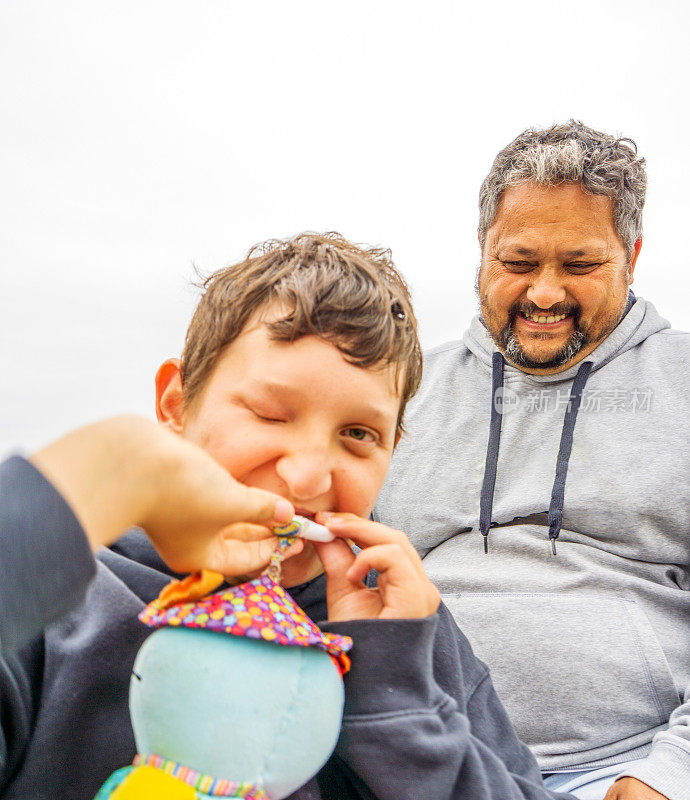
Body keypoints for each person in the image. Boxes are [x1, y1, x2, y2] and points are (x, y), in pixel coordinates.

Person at [0, 233, 571, 800]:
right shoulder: (63, 603)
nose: (308, 478)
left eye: (358, 435)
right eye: (271, 414)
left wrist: (398, 696)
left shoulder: (408, 633)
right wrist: (111, 472)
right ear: (175, 406)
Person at [374, 122, 690, 800]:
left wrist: (667, 775)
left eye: (579, 265)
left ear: (630, 256)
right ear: (483, 253)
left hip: (625, 769)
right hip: (413, 755)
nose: (544, 294)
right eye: (518, 263)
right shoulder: (399, 391)